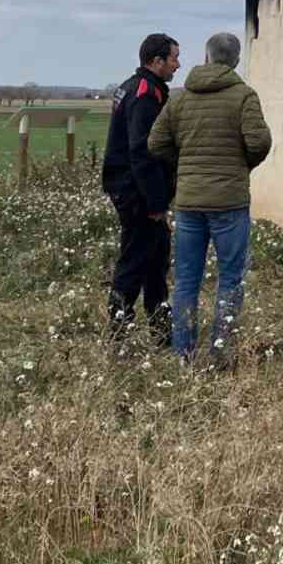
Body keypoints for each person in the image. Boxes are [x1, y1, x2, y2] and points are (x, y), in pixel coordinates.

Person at [147, 31, 271, 366]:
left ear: (206, 57)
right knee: (230, 278)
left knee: (186, 280)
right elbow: (259, 142)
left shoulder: (180, 98)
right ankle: (222, 353)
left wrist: (184, 165)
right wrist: (241, 165)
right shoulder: (245, 96)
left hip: (188, 202)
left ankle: (183, 354)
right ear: (235, 60)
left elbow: (156, 143)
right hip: (230, 201)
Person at [101, 32, 181, 340]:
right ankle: (118, 331)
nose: (178, 64)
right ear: (156, 61)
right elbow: (142, 151)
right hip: (137, 193)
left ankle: (161, 330)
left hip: (134, 188)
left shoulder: (133, 86)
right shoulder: (146, 93)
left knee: (156, 257)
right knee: (134, 261)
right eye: (173, 58)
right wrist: (156, 203)